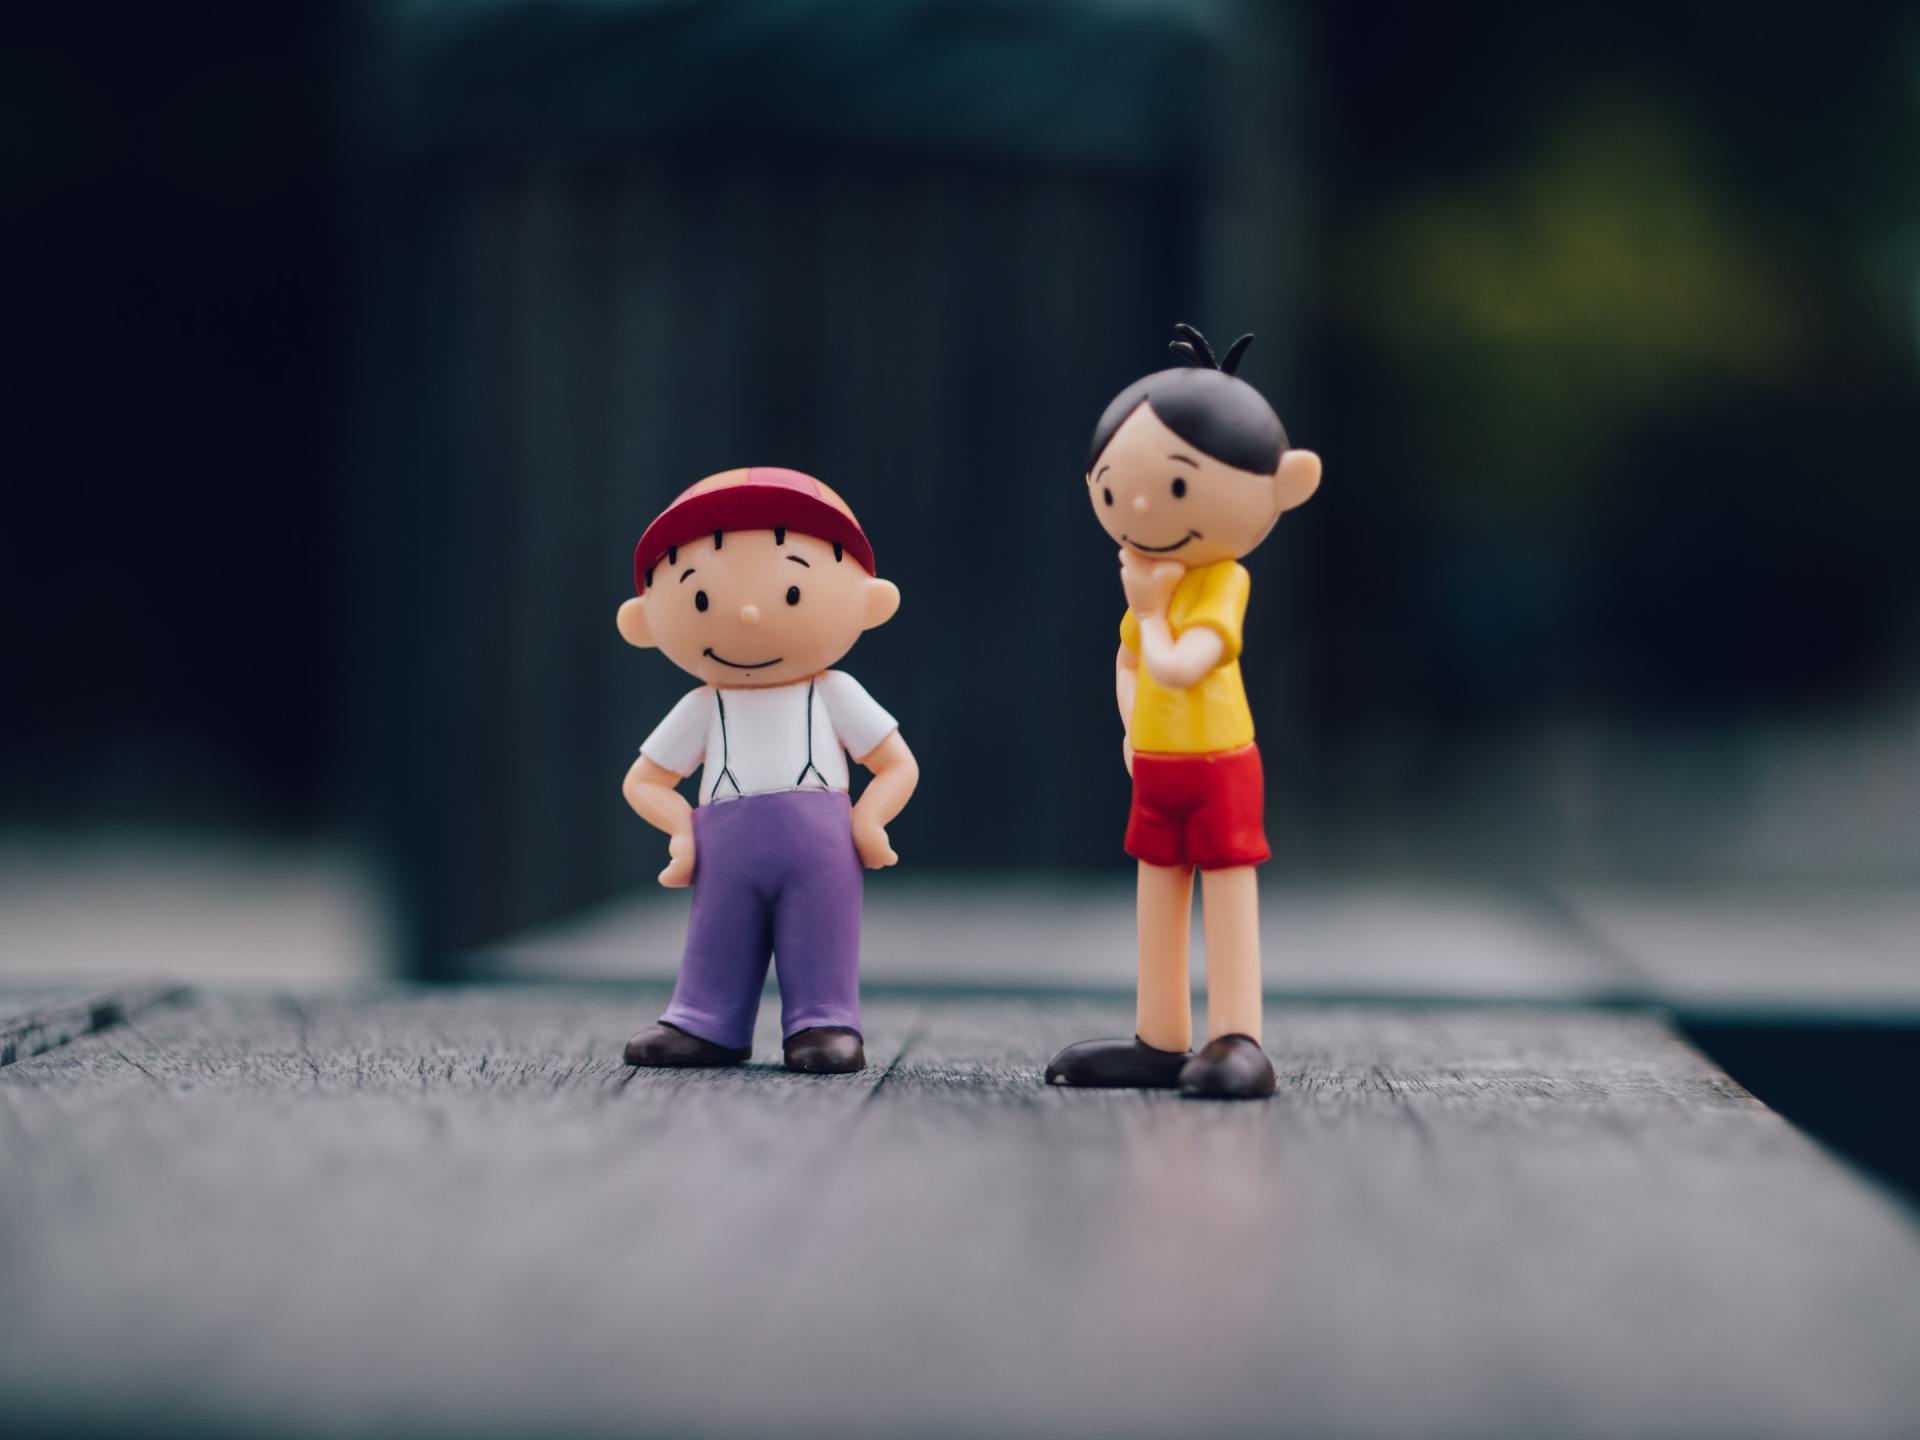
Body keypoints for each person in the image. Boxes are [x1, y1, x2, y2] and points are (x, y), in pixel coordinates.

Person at [1047, 325, 1322, 1099]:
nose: (1136, 508)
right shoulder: (1153, 584)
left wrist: (1152, 608)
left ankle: (1239, 1035)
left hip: (1219, 760)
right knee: (1157, 894)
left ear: (1285, 485)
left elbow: (1177, 661)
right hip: (1159, 763)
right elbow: (1131, 661)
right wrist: (1132, 727)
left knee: (1227, 890)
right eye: (1112, 489)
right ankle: (1160, 1036)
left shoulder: (1217, 583)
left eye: (1170, 488)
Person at [614, 468, 918, 1074]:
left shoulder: (834, 692)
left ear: (871, 602)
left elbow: (895, 765)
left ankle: (824, 1021)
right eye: (701, 597)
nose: (749, 614)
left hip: (821, 849)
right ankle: (707, 1021)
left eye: (791, 593)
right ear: (644, 622)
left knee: (822, 935)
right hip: (725, 848)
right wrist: (679, 829)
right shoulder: (704, 705)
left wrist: (871, 821)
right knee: (717, 934)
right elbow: (645, 780)